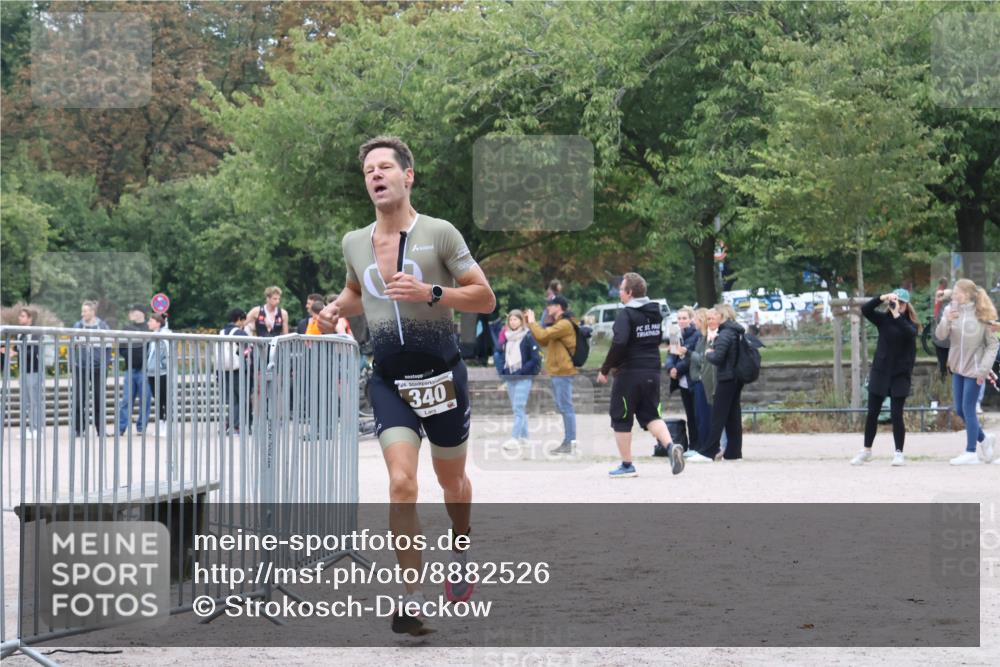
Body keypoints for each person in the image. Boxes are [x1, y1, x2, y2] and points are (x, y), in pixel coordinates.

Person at [316, 136, 495, 635]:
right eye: (368, 170)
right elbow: (359, 292)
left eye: (385, 167)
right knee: (400, 485)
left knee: (451, 484)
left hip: (442, 379)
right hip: (390, 381)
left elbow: (485, 298)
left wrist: (432, 292)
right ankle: (411, 597)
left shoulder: (439, 234)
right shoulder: (355, 241)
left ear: (407, 176)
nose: (375, 175)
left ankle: (461, 547)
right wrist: (335, 307)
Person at [595, 273, 684, 477]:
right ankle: (670, 447)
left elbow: (619, 343)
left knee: (621, 417)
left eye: (621, 289)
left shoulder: (626, 315)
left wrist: (606, 369)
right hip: (652, 370)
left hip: (630, 373)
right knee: (651, 414)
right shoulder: (655, 313)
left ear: (630, 292)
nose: (619, 292)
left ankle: (627, 465)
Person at [850, 289, 919, 467]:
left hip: (900, 375)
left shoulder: (910, 323)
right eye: (897, 302)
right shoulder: (883, 320)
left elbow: (909, 334)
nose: (899, 305)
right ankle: (866, 450)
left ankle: (898, 453)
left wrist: (898, 314)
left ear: (907, 305)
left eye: (902, 303)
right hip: (881, 372)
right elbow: (865, 310)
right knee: (872, 413)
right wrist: (882, 297)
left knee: (897, 415)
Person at [935, 279, 999, 465]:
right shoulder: (950, 311)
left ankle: (971, 452)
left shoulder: (982, 314)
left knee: (969, 409)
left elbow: (993, 345)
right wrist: (947, 320)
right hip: (957, 367)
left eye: (957, 293)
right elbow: (940, 336)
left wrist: (984, 369)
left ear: (968, 295)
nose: (954, 296)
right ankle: (985, 439)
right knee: (960, 410)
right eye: (953, 293)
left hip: (975, 369)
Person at [691, 304, 746, 461]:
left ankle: (708, 452)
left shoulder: (725, 333)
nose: (712, 319)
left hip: (726, 378)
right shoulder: (736, 331)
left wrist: (709, 353)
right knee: (733, 417)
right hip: (736, 378)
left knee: (718, 416)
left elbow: (718, 357)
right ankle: (734, 453)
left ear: (722, 316)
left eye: (715, 316)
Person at [525, 295, 578, 454]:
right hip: (559, 370)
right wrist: (533, 326)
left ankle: (570, 442)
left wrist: (532, 322)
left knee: (566, 407)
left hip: (563, 371)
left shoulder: (564, 324)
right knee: (564, 406)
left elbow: (542, 335)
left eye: (551, 305)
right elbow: (543, 341)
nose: (548, 308)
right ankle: (569, 441)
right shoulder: (560, 324)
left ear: (559, 307)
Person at [498, 309, 541, 452]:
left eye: (515, 319)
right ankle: (525, 438)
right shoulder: (507, 337)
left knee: (518, 408)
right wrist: (504, 371)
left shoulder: (528, 336)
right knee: (518, 409)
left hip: (524, 377)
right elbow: (504, 356)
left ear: (521, 321)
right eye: (510, 320)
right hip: (511, 377)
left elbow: (535, 358)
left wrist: (521, 371)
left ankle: (514, 438)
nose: (512, 322)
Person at [664, 306, 702, 451]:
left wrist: (677, 369)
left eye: (684, 318)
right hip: (682, 382)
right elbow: (671, 355)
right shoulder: (674, 333)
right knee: (690, 415)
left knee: (697, 414)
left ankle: (699, 445)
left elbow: (689, 358)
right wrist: (670, 368)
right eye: (679, 318)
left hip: (692, 379)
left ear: (691, 319)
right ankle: (693, 446)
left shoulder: (696, 334)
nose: (681, 321)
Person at [72, 301, 111, 437]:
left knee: (99, 399)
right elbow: (73, 345)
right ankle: (79, 430)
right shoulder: (78, 326)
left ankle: (100, 430)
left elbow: (108, 347)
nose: (82, 314)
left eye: (85, 311)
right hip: (81, 367)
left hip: (98, 368)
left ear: (92, 312)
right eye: (82, 311)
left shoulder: (103, 326)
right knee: (78, 399)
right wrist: (74, 362)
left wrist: (105, 364)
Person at [111, 305, 150, 436]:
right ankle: (121, 428)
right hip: (130, 369)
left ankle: (141, 428)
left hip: (145, 370)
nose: (132, 313)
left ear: (141, 313)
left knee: (145, 399)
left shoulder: (149, 328)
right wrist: (128, 355)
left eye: (134, 311)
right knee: (126, 400)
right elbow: (120, 347)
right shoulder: (127, 329)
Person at [14, 308, 44, 439]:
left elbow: (34, 352)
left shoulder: (36, 333)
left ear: (30, 318)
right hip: (23, 371)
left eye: (22, 316)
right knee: (25, 401)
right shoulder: (19, 333)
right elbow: (16, 349)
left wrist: (17, 352)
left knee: (35, 401)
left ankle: (37, 429)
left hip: (34, 371)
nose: (19, 318)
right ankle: (27, 428)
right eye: (19, 316)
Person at [219, 309, 248, 435]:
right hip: (237, 368)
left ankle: (228, 424)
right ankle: (235, 426)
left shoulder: (221, 332)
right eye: (243, 321)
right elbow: (247, 348)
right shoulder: (239, 332)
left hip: (223, 369)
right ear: (239, 319)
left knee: (231, 399)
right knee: (240, 398)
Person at [145, 313, 170, 426]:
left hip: (162, 372)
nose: (148, 323)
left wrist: (161, 365)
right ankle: (160, 423)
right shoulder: (152, 336)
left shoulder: (165, 335)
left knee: (164, 399)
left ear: (158, 323)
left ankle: (166, 423)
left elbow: (166, 353)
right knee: (158, 399)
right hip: (151, 372)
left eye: (151, 321)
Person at [932, 279, 951, 380]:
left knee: (947, 367)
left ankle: (945, 380)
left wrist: (942, 294)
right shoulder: (940, 304)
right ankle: (943, 381)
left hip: (947, 341)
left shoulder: (949, 305)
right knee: (943, 366)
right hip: (940, 340)